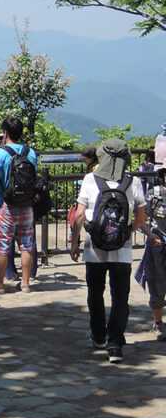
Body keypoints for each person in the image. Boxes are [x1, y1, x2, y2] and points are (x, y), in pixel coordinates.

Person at [69, 139, 147, 363]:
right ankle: (115, 345)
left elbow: (80, 215)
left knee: (95, 292)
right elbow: (141, 218)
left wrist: (74, 242)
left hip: (94, 248)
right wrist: (125, 233)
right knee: (120, 296)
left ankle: (98, 335)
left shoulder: (90, 179)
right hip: (122, 250)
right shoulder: (133, 182)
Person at [0, 117, 38, 294]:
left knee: (2, 245)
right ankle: (25, 283)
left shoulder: (1, 153)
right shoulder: (30, 152)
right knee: (26, 244)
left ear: (5, 133)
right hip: (26, 205)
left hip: (4, 205)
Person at [140, 167, 166, 340]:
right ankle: (159, 323)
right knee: (157, 285)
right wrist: (150, 235)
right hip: (158, 247)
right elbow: (140, 219)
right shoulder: (154, 195)